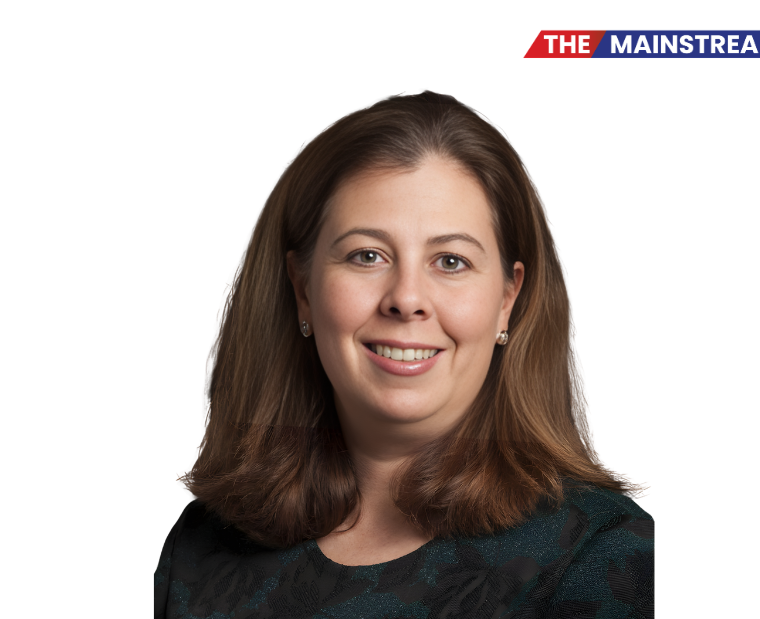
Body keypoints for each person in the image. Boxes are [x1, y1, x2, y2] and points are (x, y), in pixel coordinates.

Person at [154, 92, 653, 618]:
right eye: (367, 255)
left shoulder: (605, 555)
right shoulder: (200, 548)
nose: (407, 298)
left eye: (451, 261)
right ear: (303, 289)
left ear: (508, 299)